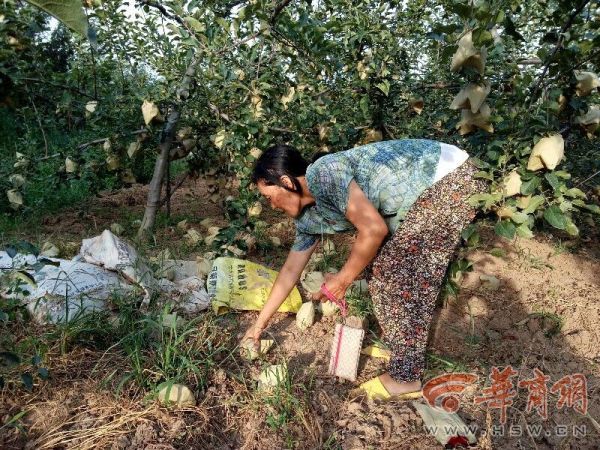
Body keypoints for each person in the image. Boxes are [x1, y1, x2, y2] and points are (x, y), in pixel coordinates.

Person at [242, 139, 487, 399]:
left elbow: (373, 229)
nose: (271, 205)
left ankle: (405, 378)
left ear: (287, 182)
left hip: (448, 178)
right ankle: (403, 351)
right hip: (430, 187)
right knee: (380, 267)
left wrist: (343, 279)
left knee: (393, 274)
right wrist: (258, 326)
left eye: (269, 197)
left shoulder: (323, 174)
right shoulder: (309, 218)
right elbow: (290, 271)